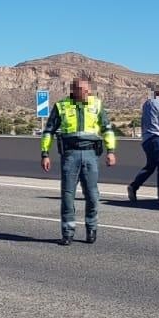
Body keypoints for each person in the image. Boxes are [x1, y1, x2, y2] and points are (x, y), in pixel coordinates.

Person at [40, 77, 117, 245]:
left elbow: (107, 129)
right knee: (67, 195)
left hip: (90, 154)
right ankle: (67, 233)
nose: (87, 93)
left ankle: (91, 229)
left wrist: (111, 151)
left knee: (92, 195)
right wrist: (45, 153)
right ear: (74, 90)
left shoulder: (96, 104)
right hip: (70, 155)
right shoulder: (61, 106)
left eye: (88, 90)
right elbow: (48, 131)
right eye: (83, 90)